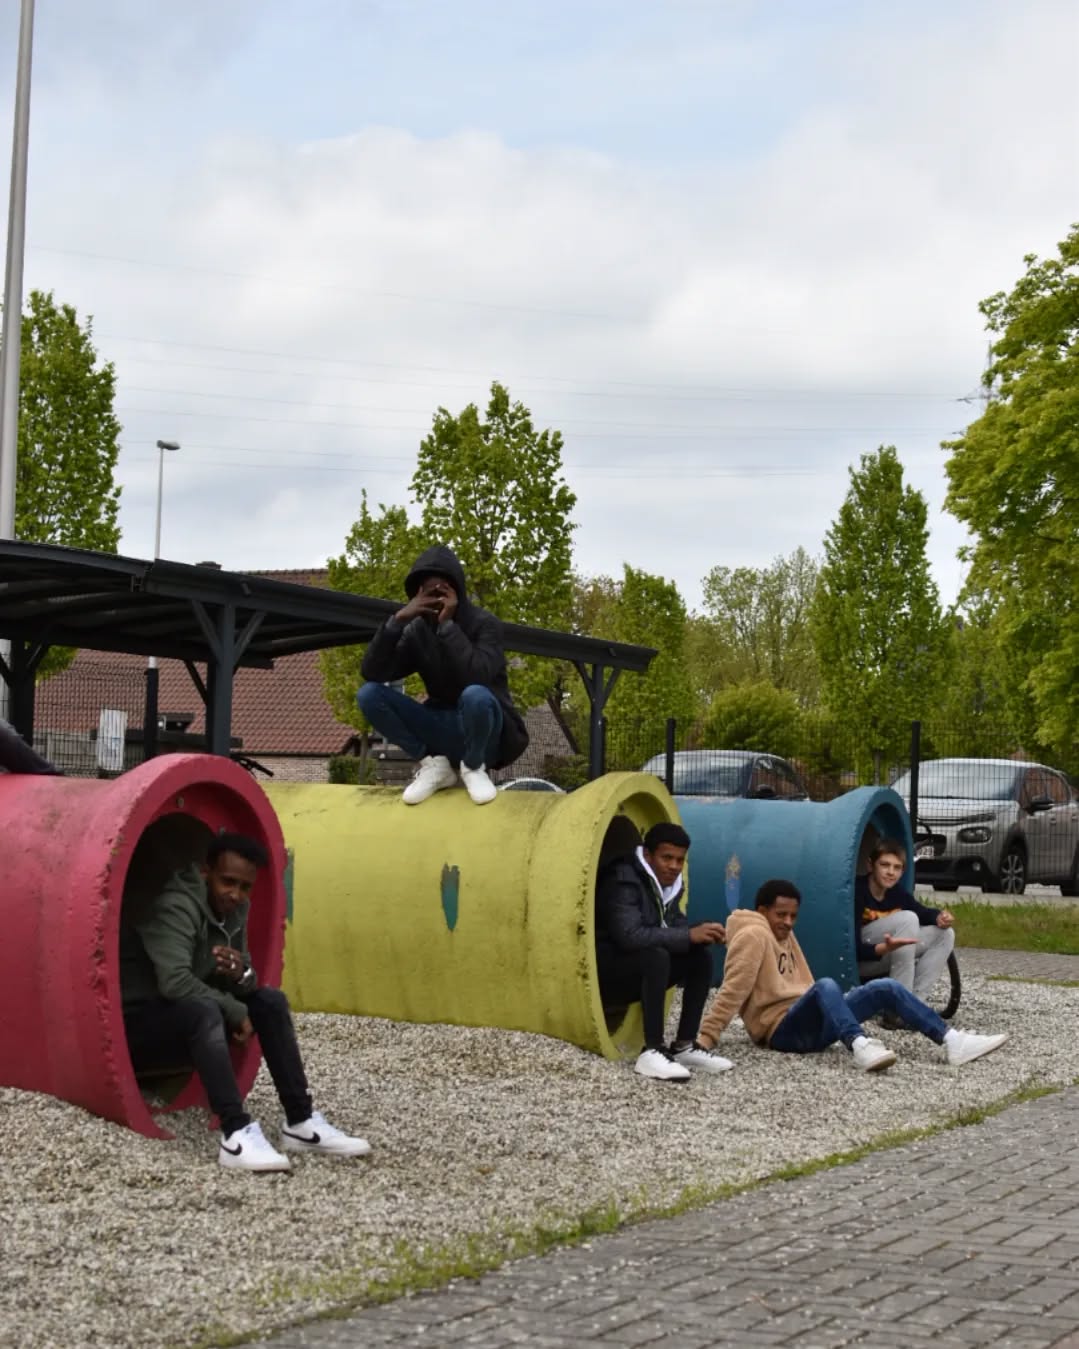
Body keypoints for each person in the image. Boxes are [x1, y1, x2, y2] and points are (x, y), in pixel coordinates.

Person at [121, 832, 370, 1172]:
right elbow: (174, 983)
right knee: (204, 1010)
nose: (235, 894)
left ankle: (300, 1122)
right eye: (228, 882)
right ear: (206, 872)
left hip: (188, 1016)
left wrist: (242, 976)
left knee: (269, 1000)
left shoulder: (234, 910)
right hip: (134, 1029)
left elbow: (244, 977)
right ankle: (235, 1132)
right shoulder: (177, 907)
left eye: (244, 886)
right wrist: (236, 1010)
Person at [695, 878, 1007, 1073]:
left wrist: (837, 1006)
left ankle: (952, 1040)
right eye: (781, 915)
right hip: (781, 1032)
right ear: (762, 910)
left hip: (807, 1022)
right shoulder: (753, 936)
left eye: (793, 916)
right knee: (825, 985)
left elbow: (802, 983)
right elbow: (733, 988)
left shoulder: (782, 934)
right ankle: (859, 1045)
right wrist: (705, 1039)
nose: (789, 922)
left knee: (884, 987)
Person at [357, 544, 529, 806]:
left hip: (485, 733)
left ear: (457, 591)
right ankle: (433, 765)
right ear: (417, 594)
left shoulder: (485, 624)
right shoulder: (416, 631)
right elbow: (373, 672)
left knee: (475, 695)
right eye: (429, 592)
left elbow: (478, 676)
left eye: (443, 591)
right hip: (441, 727)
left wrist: (447, 627)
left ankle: (473, 766)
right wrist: (397, 621)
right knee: (368, 694)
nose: (437, 599)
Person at [595, 821, 732, 1082]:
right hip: (606, 975)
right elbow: (629, 936)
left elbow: (675, 928)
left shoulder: (668, 883)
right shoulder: (624, 880)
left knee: (699, 955)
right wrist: (687, 934)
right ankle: (652, 1050)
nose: (674, 866)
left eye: (680, 860)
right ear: (647, 855)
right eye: (666, 858)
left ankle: (684, 1045)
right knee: (655, 955)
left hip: (639, 967)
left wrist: (699, 933)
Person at [855, 837, 955, 1000]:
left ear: (902, 872)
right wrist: (883, 948)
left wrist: (940, 917)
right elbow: (851, 948)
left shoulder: (896, 893)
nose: (890, 872)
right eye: (884, 865)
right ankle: (898, 1006)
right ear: (870, 865)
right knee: (908, 919)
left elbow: (922, 912)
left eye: (897, 867)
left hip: (885, 954)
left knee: (945, 934)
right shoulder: (857, 891)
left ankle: (916, 1004)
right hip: (860, 962)